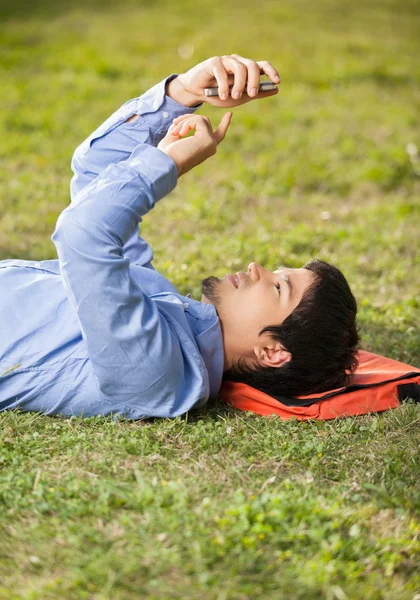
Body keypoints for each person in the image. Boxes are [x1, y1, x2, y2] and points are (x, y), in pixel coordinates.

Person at [0, 54, 359, 420]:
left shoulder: (159, 372)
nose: (256, 268)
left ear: (271, 352)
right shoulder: (161, 303)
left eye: (280, 287)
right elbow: (95, 172)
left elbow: (83, 234)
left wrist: (167, 165)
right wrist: (183, 91)